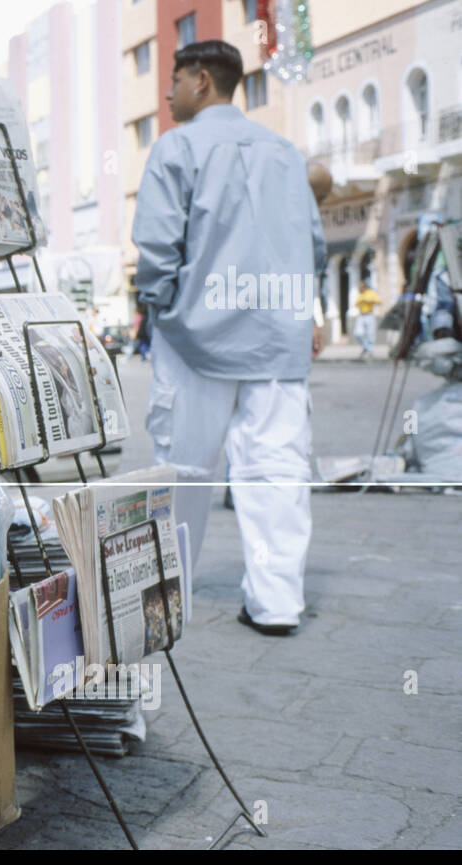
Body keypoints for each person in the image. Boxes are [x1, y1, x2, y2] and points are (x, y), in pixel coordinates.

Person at [132, 40, 326, 636]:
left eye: (173, 81)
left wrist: (159, 307)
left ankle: (168, 600)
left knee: (185, 472)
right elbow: (313, 247)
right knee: (276, 473)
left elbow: (158, 247)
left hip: (198, 341)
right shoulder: (287, 154)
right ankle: (277, 604)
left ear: (201, 81)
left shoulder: (177, 147)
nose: (167, 95)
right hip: (276, 340)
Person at [353, 281, 381, 359]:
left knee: (370, 334)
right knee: (357, 333)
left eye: (360, 287)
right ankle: (366, 347)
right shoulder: (360, 295)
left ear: (364, 287)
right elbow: (356, 304)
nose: (359, 289)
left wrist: (369, 301)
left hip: (369, 315)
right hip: (361, 315)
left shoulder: (371, 293)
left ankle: (370, 350)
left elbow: (379, 301)